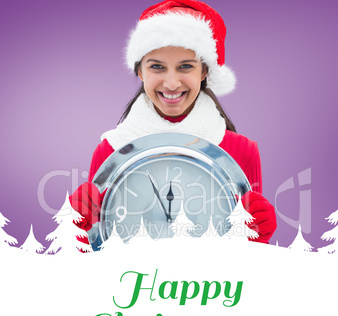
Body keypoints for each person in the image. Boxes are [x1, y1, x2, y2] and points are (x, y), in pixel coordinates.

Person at [70, 0, 276, 244]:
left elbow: (245, 260)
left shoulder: (243, 152)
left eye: (185, 67)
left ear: (204, 72)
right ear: (140, 71)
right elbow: (96, 256)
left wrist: (258, 237)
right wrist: (81, 232)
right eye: (156, 66)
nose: (171, 83)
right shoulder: (109, 151)